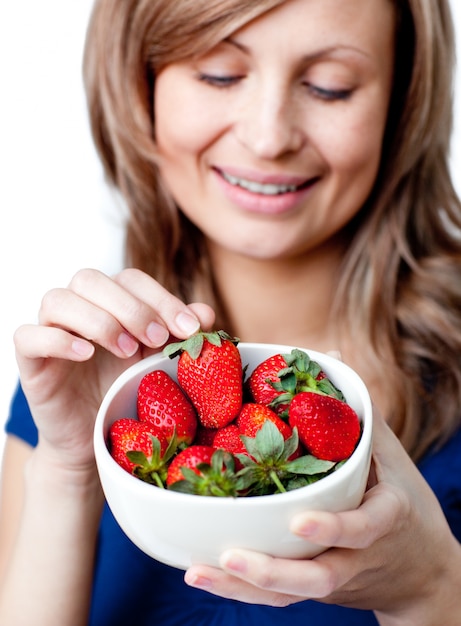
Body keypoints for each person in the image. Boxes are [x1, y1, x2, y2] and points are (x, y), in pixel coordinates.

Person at [1, 0, 461, 623]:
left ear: (399, 106)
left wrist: (430, 587)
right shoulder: (84, 366)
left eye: (330, 87)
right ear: (142, 85)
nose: (269, 137)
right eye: (219, 73)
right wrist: (67, 471)